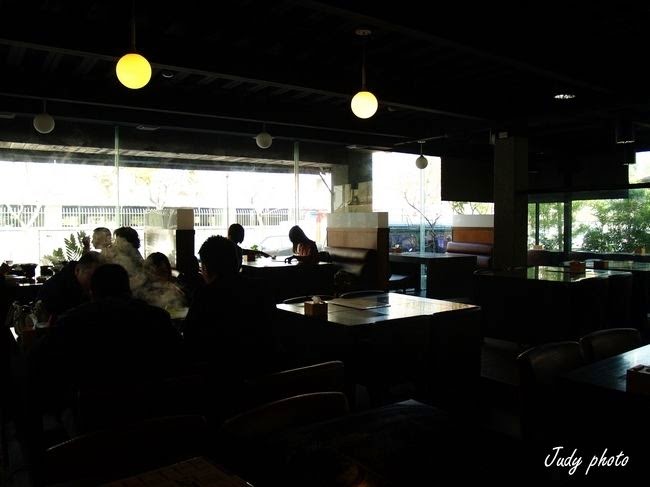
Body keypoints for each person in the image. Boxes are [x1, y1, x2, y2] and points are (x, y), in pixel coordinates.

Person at [183, 236, 275, 379]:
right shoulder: (261, 287)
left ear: (205, 268)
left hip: (223, 375)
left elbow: (190, 336)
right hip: (267, 369)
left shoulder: (205, 294)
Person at [37, 251, 104, 322]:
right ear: (78, 270)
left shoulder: (91, 287)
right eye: (93, 276)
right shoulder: (55, 288)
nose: (97, 281)